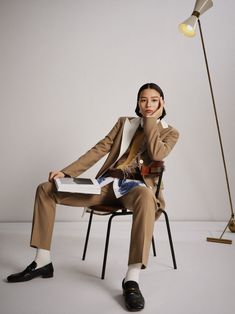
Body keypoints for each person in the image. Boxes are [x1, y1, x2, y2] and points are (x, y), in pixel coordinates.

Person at [7, 83, 179, 311]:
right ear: (137, 103)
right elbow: (99, 149)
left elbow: (157, 154)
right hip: (106, 185)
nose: (148, 105)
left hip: (136, 189)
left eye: (154, 100)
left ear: (162, 103)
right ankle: (42, 261)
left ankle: (132, 279)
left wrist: (150, 122)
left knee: (147, 197)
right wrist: (68, 172)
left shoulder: (170, 132)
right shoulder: (124, 124)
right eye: (143, 100)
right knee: (45, 189)